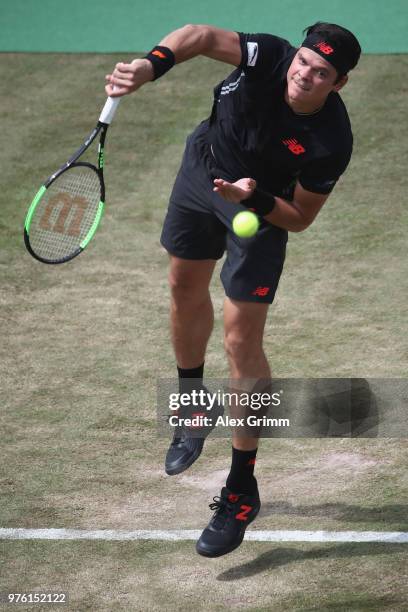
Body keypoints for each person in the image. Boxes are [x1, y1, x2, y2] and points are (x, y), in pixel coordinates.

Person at [105, 21, 361, 557]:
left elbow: (300, 218)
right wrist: (150, 66)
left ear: (337, 84)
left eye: (322, 73)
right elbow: (196, 36)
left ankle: (242, 488)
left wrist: (256, 199)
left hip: (260, 208)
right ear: (295, 55)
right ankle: (194, 404)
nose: (305, 76)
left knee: (241, 341)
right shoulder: (266, 56)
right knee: (182, 286)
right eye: (304, 62)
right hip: (203, 171)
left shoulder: (330, 141)